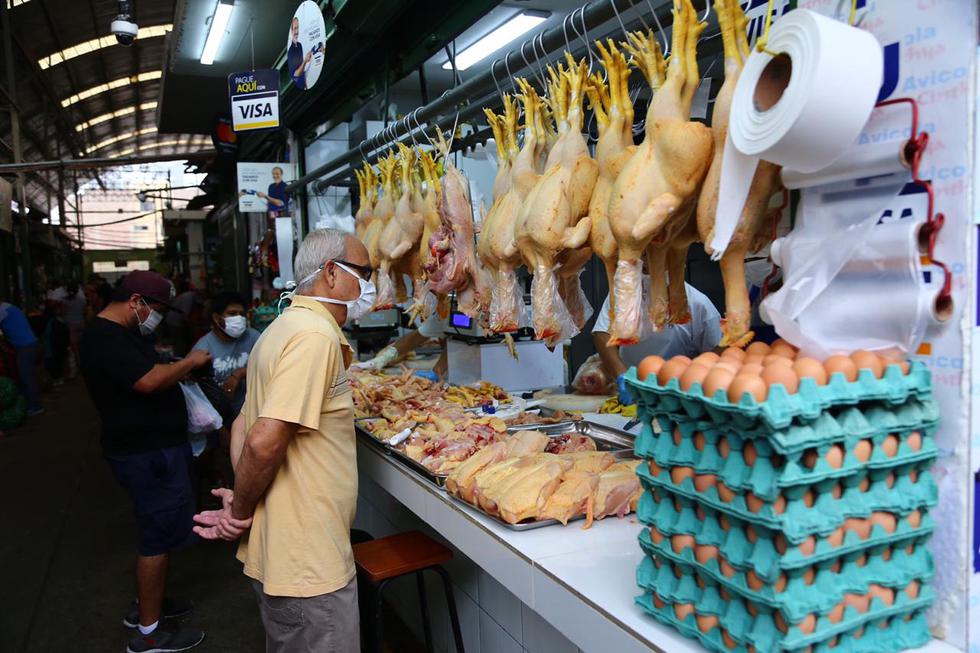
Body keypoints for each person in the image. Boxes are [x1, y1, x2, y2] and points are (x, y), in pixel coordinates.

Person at [194, 228, 374, 653]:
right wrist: (239, 510)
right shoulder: (314, 337)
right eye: (365, 273)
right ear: (331, 273)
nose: (372, 285)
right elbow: (262, 441)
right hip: (308, 564)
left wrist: (245, 498)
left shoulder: (281, 328)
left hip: (285, 553)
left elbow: (242, 424)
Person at [79, 271, 213, 653]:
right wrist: (189, 363)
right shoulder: (104, 337)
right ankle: (149, 633)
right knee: (155, 536)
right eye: (155, 308)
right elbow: (148, 382)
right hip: (144, 452)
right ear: (135, 301)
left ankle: (149, 607)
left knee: (163, 529)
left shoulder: (124, 334)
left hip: (152, 447)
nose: (156, 316)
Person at [592, 281, 722, 405]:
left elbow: (716, 355)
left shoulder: (698, 303)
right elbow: (602, 333)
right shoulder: (623, 292)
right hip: (631, 396)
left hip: (678, 400)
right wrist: (621, 375)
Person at [191, 292, 261, 417]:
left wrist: (239, 373)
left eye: (242, 314)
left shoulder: (253, 337)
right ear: (217, 318)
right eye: (232, 314)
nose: (239, 318)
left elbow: (270, 365)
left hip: (251, 411)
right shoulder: (202, 348)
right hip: (217, 416)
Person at [356, 311, 448, 380]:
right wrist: (382, 359)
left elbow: (458, 347)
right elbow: (416, 337)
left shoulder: (456, 311)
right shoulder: (443, 314)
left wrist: (436, 373)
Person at [0, 301, 42, 416]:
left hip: (26, 347)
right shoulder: (9, 307)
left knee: (26, 376)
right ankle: (29, 403)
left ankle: (35, 406)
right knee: (26, 376)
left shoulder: (2, 310)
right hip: (30, 344)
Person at [164, 279, 201, 357]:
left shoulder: (190, 296)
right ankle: (178, 359)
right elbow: (185, 314)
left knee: (181, 342)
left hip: (176, 320)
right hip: (174, 321)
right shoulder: (189, 297)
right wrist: (192, 325)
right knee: (179, 343)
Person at [62, 281, 88, 377]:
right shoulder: (82, 300)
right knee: (81, 347)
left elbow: (63, 312)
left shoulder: (64, 301)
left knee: (73, 349)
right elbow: (85, 312)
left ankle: (76, 368)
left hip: (70, 326)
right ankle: (83, 365)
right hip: (81, 324)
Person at [286, 17, 312, 90]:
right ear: (291, 31)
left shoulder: (300, 45)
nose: (296, 31)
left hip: (305, 85)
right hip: (300, 88)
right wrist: (305, 61)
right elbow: (295, 75)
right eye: (295, 29)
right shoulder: (291, 51)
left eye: (298, 28)